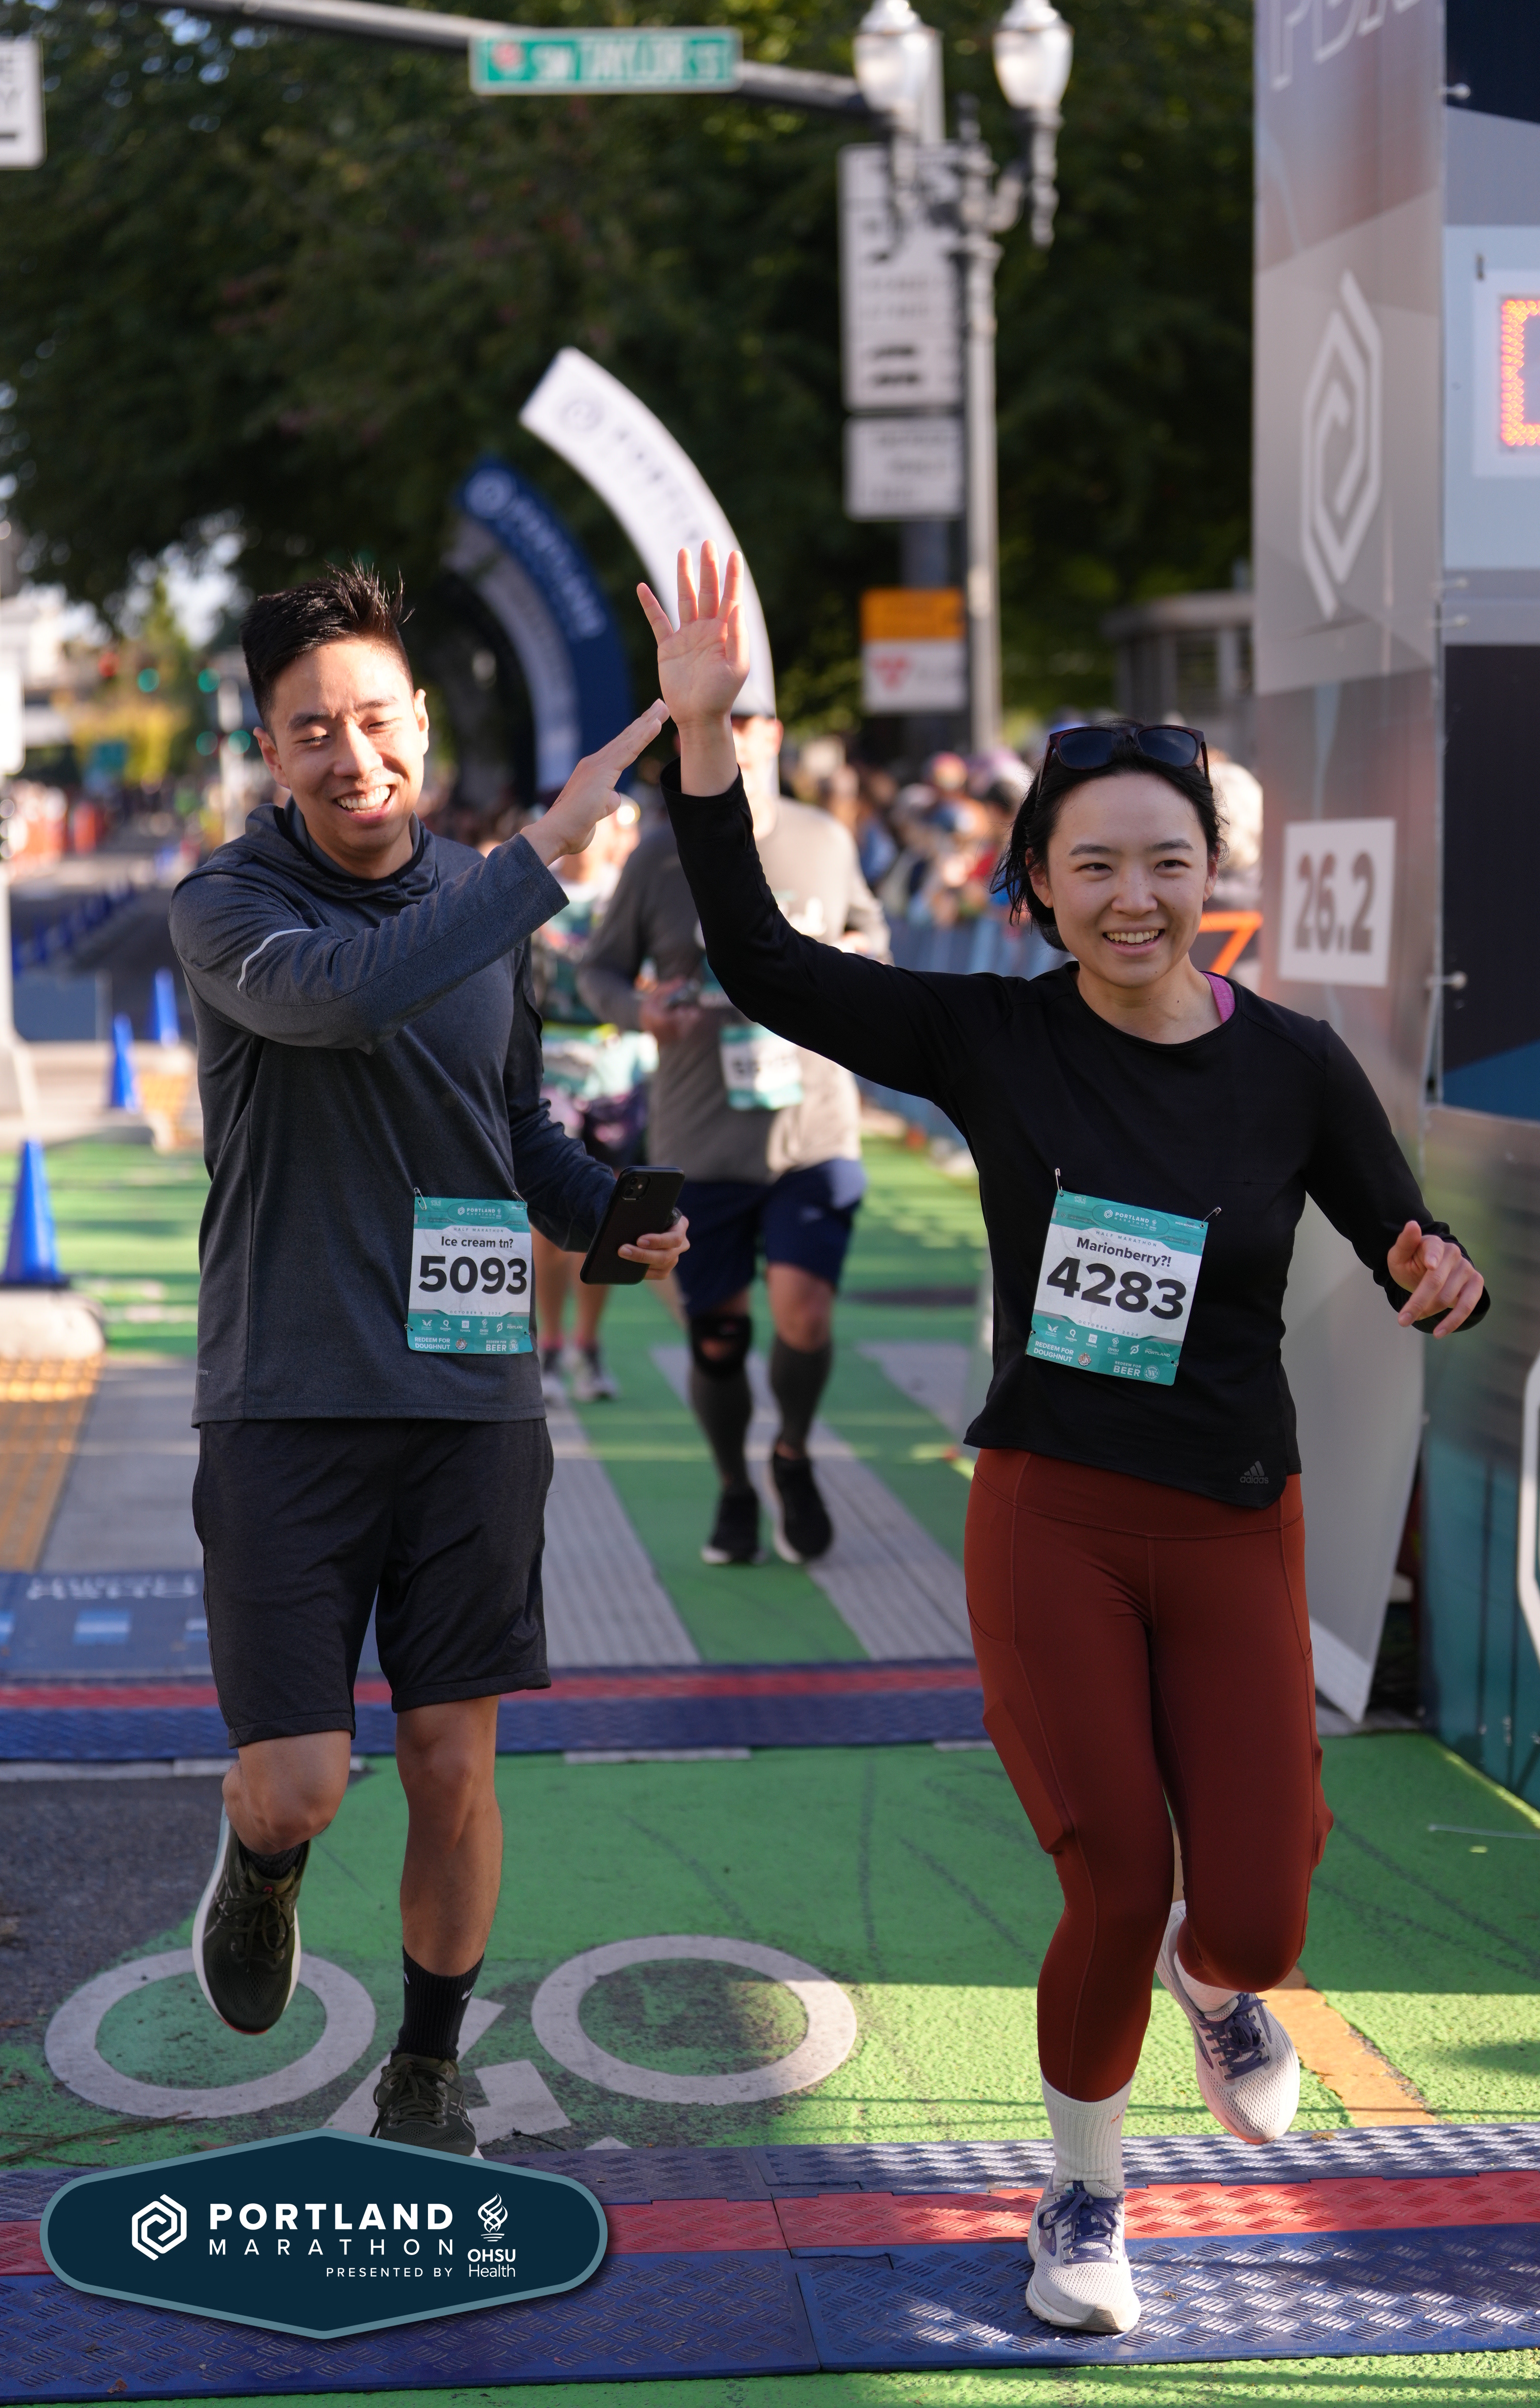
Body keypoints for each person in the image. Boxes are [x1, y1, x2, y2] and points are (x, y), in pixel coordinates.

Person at [638, 545, 1488, 2331]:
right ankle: (1085, 2202)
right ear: (1032, 885)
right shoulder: (990, 1037)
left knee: (1254, 1909)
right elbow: (762, 959)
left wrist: (1438, 1275)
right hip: (1054, 1520)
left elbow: (1403, 1242)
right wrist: (707, 748)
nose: (1132, 896)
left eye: (1165, 861)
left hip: (1233, 1516)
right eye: (1092, 864)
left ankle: (1218, 1985)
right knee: (1111, 1869)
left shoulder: (1294, 1066)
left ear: (1211, 879)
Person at [169, 568, 687, 2154]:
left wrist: (611, 1217)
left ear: (421, 723)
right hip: (287, 1397)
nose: (355, 756)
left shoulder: (484, 900)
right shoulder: (229, 909)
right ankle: (260, 1860)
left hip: (469, 1398)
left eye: (379, 720)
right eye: (314, 730)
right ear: (270, 748)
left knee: (455, 1762)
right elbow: (346, 1004)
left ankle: (424, 2067)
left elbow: (507, 1123)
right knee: (302, 1781)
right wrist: (542, 859)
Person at [578, 696, 889, 1569]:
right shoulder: (658, 856)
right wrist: (641, 1011)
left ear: (774, 736)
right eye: (714, 723)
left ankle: (791, 1451)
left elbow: (871, 928)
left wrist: (856, 954)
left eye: (749, 722)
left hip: (810, 1129)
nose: (733, 737)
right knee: (716, 1334)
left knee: (803, 1310)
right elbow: (600, 970)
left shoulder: (822, 838)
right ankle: (733, 1485)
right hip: (701, 1136)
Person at [524, 802, 650, 1402]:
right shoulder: (532, 889)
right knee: (549, 1217)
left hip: (616, 1071)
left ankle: (588, 1344)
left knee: (610, 1214)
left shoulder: (630, 896)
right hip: (550, 1069)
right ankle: (550, 1345)